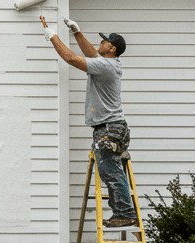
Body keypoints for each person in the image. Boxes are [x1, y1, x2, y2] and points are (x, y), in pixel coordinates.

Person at [40, 14, 138, 228]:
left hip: (109, 128)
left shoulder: (106, 66)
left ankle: (124, 213)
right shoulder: (107, 63)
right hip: (113, 126)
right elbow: (90, 53)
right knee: (111, 169)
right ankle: (124, 210)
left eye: (105, 41)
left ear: (112, 48)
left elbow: (72, 59)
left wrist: (53, 37)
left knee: (111, 171)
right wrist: (77, 32)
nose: (101, 42)